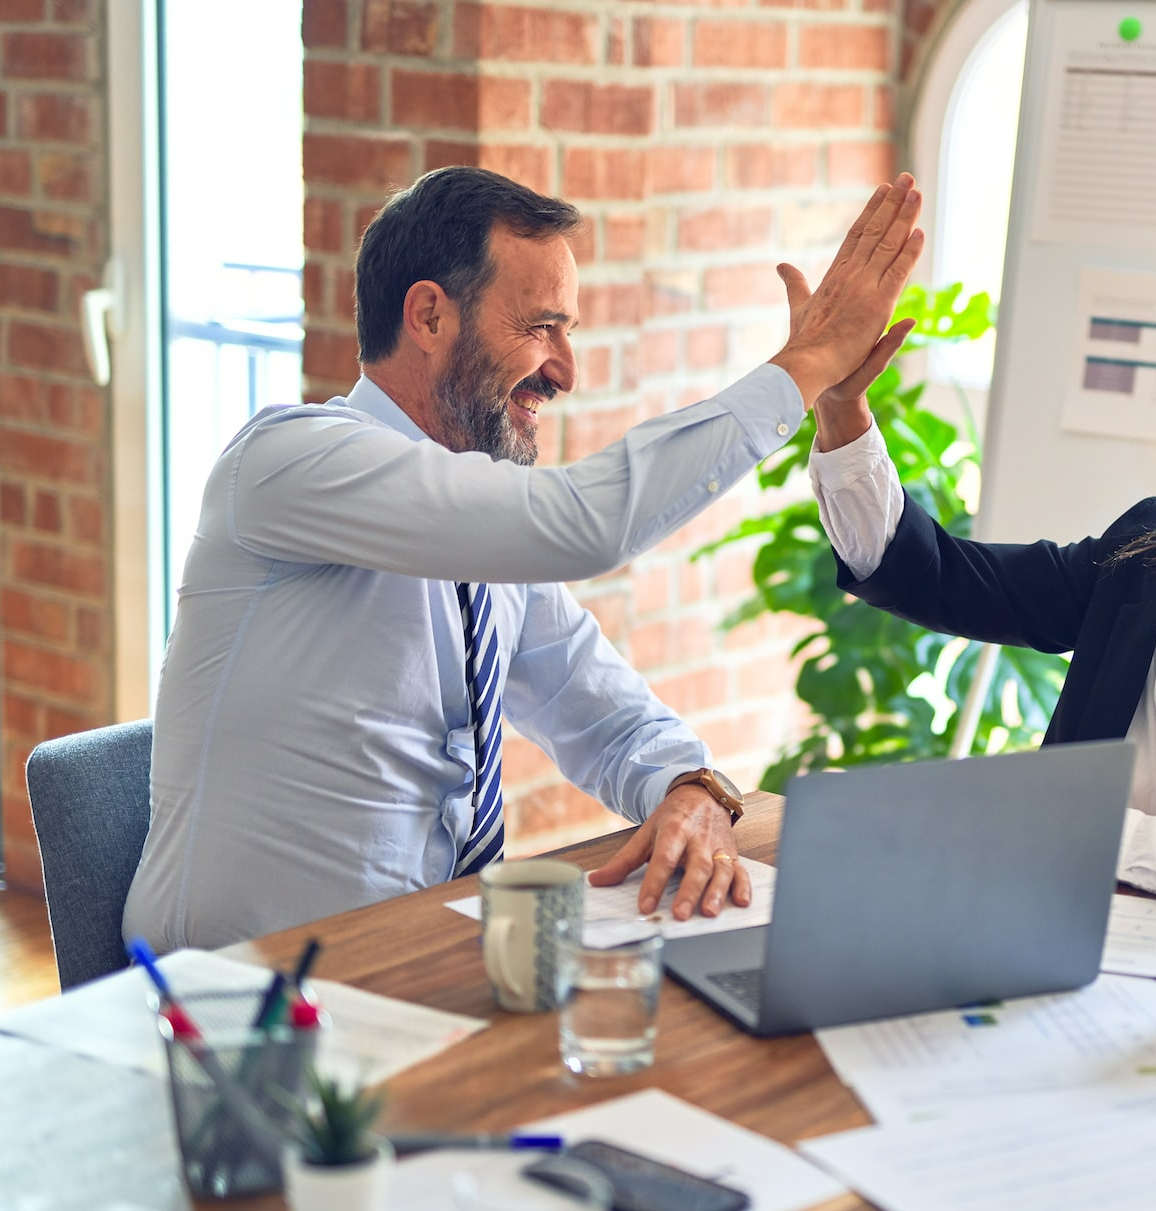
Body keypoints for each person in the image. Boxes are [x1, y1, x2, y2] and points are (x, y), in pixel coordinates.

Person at [123, 166, 923, 952]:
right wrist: (807, 364)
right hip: (237, 999)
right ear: (429, 317)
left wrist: (691, 787)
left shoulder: (482, 536)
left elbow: (600, 710)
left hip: (419, 965)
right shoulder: (289, 462)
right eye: (542, 326)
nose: (565, 371)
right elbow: (586, 524)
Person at [808, 383, 1156, 893]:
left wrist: (1079, 828)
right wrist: (842, 411)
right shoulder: (1143, 552)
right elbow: (941, 578)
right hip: (1061, 905)